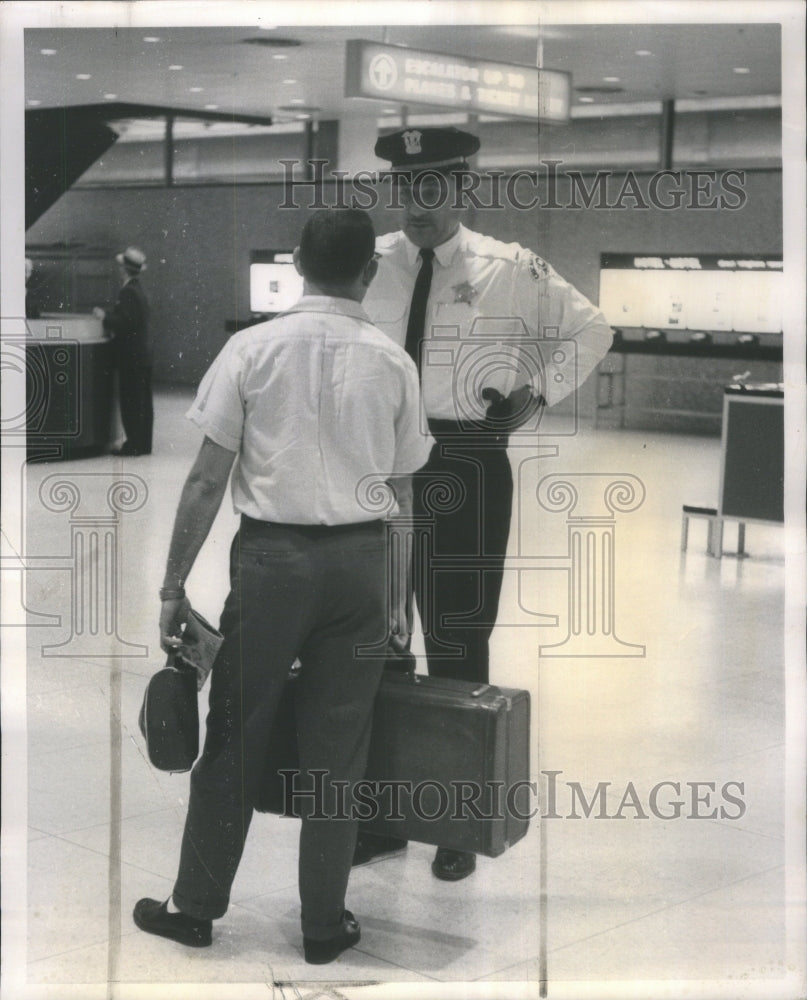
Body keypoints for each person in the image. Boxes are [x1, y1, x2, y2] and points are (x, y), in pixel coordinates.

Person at [132, 208, 432, 964]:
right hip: (361, 568)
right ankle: (325, 927)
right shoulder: (392, 361)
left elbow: (206, 480)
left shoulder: (250, 349)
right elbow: (401, 498)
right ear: (369, 273)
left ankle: (196, 908)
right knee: (341, 747)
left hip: (272, 566)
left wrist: (172, 587)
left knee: (236, 731)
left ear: (297, 262)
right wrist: (396, 598)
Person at [356, 126, 614, 882]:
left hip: (464, 460)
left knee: (457, 639)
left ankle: (454, 824)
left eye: (433, 188)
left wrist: (536, 393)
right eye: (405, 189)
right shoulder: (369, 261)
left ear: (462, 187)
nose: (418, 205)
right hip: (377, 464)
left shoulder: (510, 268)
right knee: (376, 642)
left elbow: (592, 328)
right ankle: (381, 816)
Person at [94, 246, 153, 455]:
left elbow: (125, 322)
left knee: (131, 402)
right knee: (143, 403)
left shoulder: (127, 291)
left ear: (124, 269)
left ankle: (133, 445)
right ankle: (143, 444)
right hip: (142, 355)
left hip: (131, 357)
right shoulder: (139, 290)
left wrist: (104, 317)